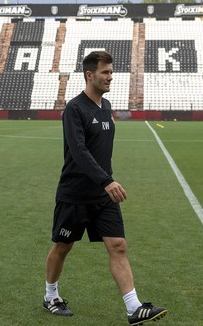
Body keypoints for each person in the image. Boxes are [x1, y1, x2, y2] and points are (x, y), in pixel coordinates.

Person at [42, 51, 168, 325]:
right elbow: (78, 151)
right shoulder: (75, 109)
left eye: (111, 72)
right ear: (90, 75)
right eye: (105, 72)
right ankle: (50, 295)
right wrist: (106, 180)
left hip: (103, 195)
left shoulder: (106, 106)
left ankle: (134, 308)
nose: (111, 77)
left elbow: (100, 143)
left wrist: (105, 181)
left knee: (119, 246)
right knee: (63, 246)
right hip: (75, 194)